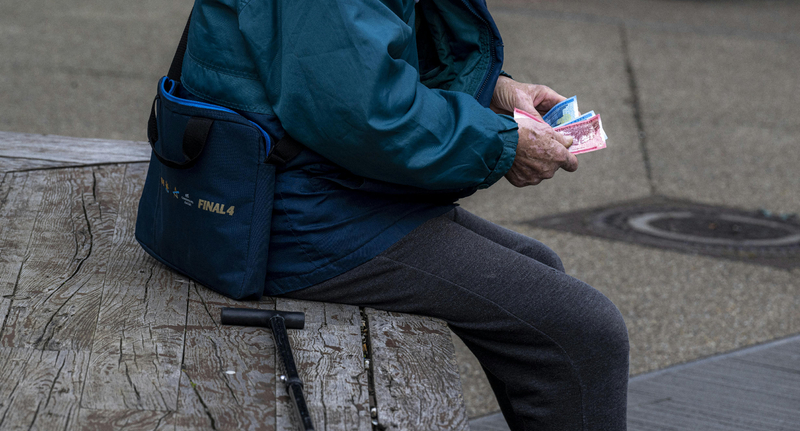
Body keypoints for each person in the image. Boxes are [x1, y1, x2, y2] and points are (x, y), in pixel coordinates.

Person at [178, 0, 629, 429]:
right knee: (586, 333)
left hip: (306, 184)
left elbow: (363, 57)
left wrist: (492, 89)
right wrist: (503, 144)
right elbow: (367, 114)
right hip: (276, 215)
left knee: (543, 271)